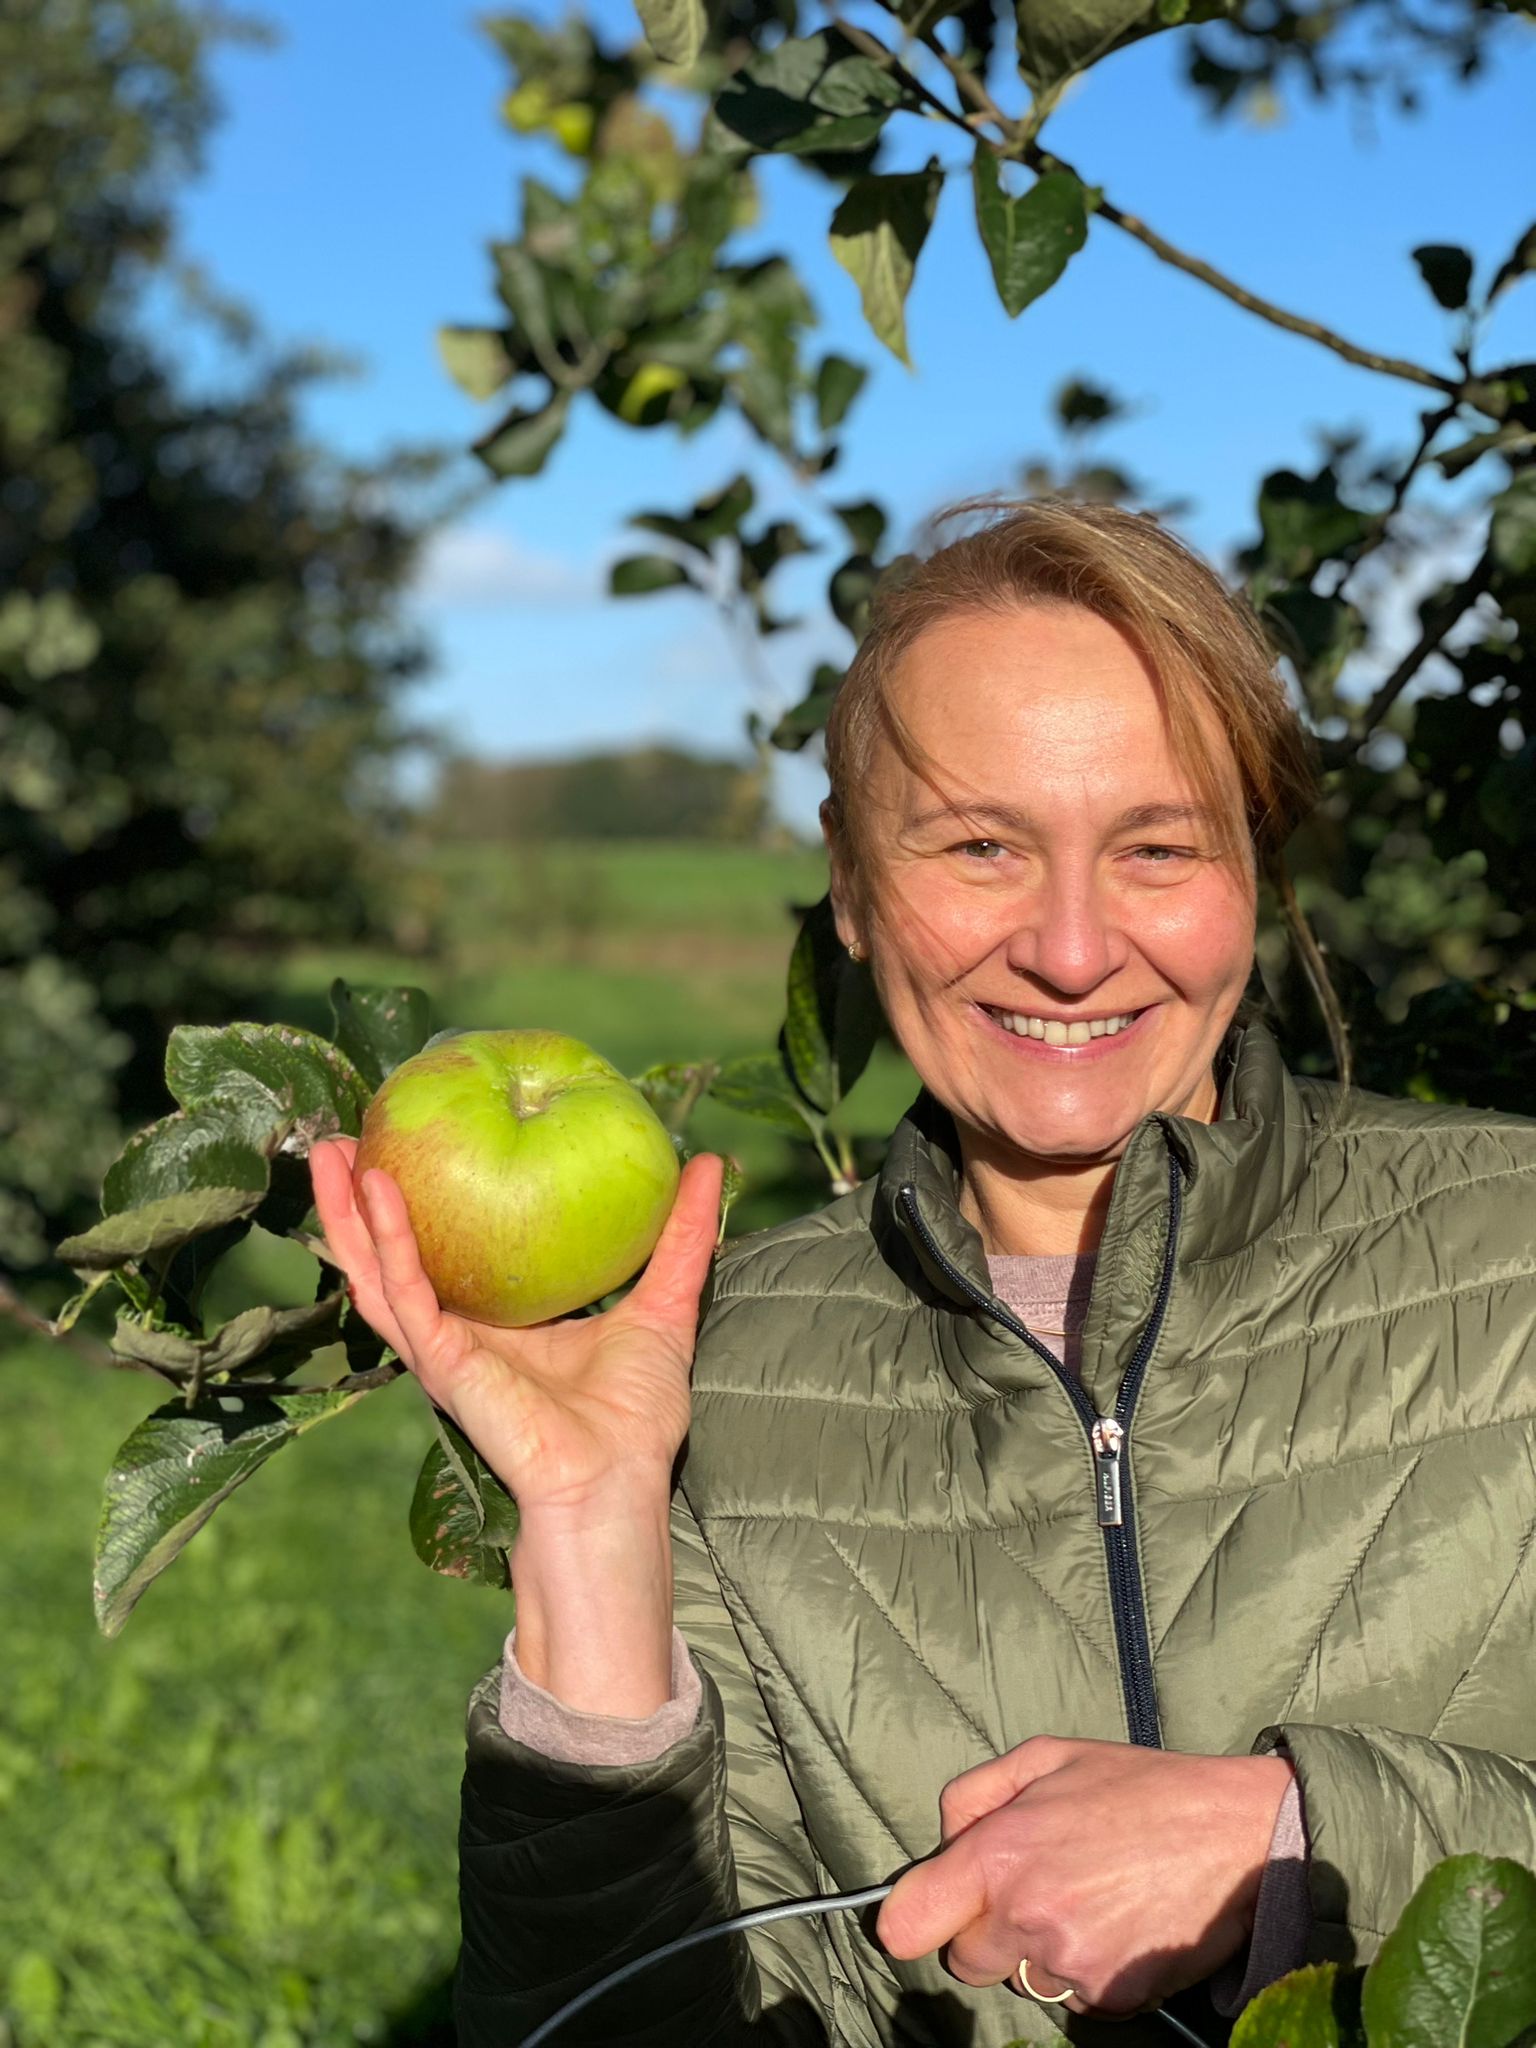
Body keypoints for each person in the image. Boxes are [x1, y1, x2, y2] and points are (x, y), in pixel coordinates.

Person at [311, 498, 1536, 2048]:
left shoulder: (1518, 1249)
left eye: (1157, 846)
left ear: (1250, 870)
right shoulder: (718, 1377)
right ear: (848, 879)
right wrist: (590, 1533)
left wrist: (1299, 1839)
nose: (1075, 950)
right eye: (980, 846)